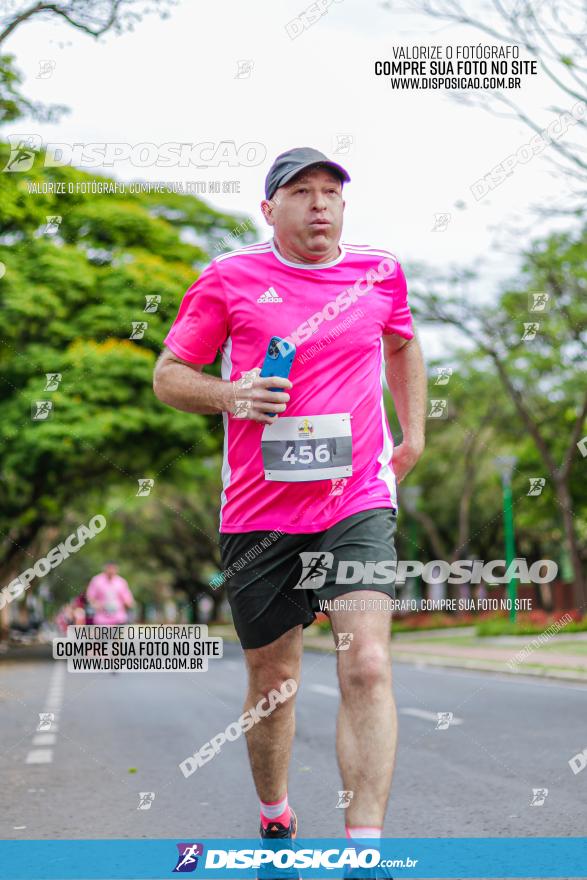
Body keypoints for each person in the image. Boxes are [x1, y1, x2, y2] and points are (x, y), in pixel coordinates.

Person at [153, 147, 427, 852]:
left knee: (364, 661)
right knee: (273, 680)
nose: (319, 204)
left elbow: (401, 344)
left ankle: (363, 846)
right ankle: (274, 807)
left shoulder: (378, 272)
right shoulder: (227, 279)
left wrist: (413, 431)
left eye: (330, 191)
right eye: (300, 192)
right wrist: (231, 395)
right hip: (258, 511)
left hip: (357, 498)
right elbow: (169, 376)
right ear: (269, 209)